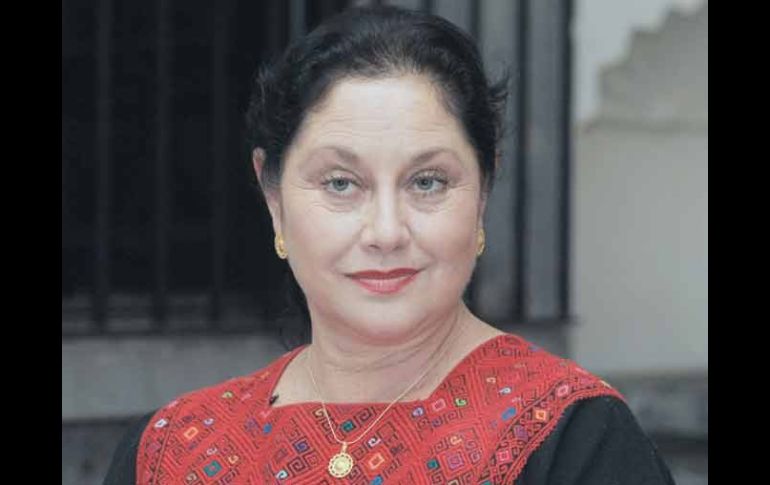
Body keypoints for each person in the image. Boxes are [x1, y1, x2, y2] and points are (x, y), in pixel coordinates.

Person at [103, 5, 675, 484]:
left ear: (483, 192)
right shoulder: (172, 451)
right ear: (273, 196)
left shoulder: (571, 439)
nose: (385, 232)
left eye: (427, 182)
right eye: (340, 184)